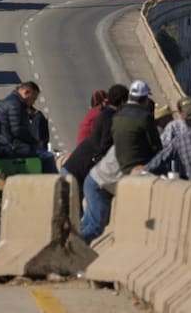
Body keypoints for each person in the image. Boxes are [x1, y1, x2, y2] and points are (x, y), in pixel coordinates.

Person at [80, 81, 158, 243]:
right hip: (99, 184)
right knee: (95, 227)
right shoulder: (136, 150)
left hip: (94, 180)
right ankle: (70, 253)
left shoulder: (118, 121)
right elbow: (157, 148)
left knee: (87, 225)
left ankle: (69, 249)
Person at [62, 83, 127, 191]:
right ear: (122, 102)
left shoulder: (103, 115)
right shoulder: (108, 117)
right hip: (76, 172)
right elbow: (104, 146)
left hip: (74, 168)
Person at [0, 80, 56, 173]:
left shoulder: (11, 101)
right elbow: (17, 130)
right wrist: (33, 141)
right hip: (10, 146)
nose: (33, 103)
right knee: (48, 157)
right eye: (33, 99)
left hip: (6, 143)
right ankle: (51, 184)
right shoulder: (15, 105)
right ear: (26, 92)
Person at [111, 80, 163, 174]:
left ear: (129, 96)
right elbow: (156, 146)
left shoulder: (116, 116)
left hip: (121, 166)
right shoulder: (145, 117)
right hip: (140, 167)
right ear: (146, 99)